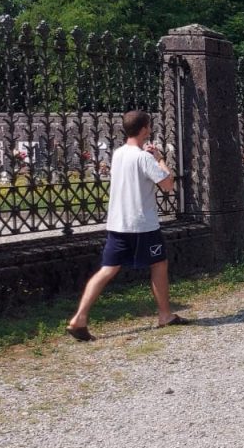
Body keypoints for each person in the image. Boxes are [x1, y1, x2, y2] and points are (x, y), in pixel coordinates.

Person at [66, 109, 185, 341]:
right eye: (148, 126)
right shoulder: (144, 158)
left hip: (118, 222)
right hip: (142, 224)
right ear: (144, 129)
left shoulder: (118, 154)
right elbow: (168, 184)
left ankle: (79, 318)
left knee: (107, 269)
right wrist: (159, 158)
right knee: (159, 263)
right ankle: (165, 315)